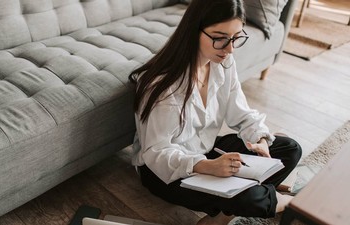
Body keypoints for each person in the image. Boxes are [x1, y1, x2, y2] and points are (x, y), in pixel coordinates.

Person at [128, 0, 302, 224]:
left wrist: (259, 139)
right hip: (167, 172)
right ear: (193, 30)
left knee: (289, 149)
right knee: (249, 198)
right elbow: (157, 153)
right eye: (219, 38)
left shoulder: (223, 63)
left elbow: (241, 113)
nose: (229, 49)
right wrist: (207, 167)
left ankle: (236, 201)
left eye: (236, 38)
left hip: (207, 150)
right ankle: (275, 199)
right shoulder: (163, 85)